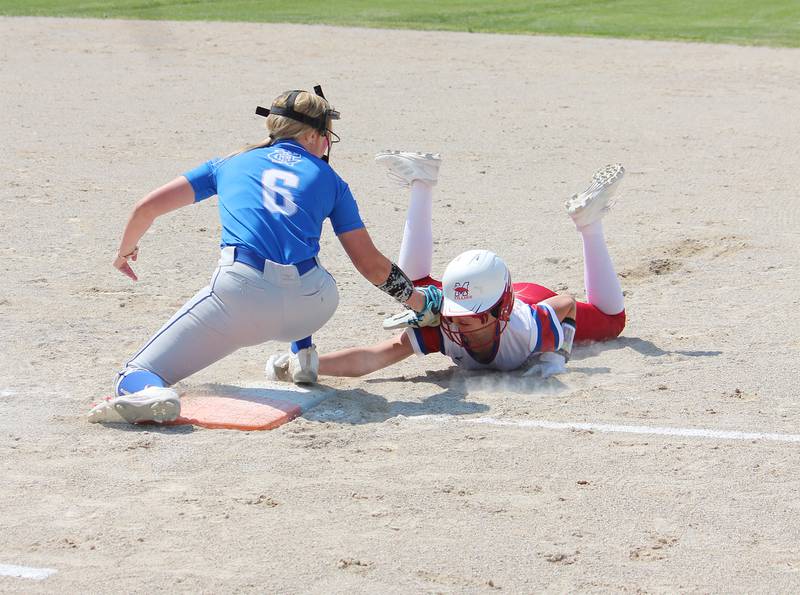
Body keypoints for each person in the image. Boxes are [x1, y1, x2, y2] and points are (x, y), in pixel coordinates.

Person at [88, 90, 439, 424]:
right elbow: (370, 264)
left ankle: (147, 393)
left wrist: (125, 251)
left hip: (241, 300)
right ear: (314, 135)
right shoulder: (331, 179)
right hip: (313, 307)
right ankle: (302, 355)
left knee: (137, 372)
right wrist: (418, 302)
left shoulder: (228, 162)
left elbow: (146, 208)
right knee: (311, 264)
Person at [267, 151, 626, 380]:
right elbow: (375, 356)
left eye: (465, 317)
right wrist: (309, 363)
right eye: (453, 315)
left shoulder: (525, 330)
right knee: (409, 285)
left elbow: (563, 302)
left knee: (612, 320)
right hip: (475, 288)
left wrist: (557, 353)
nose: (454, 323)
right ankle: (421, 181)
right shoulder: (446, 322)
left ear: (497, 314)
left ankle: (589, 225)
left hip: (531, 299)